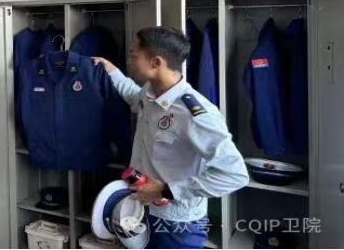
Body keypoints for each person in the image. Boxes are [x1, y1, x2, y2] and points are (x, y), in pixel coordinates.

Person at [93, 27, 249, 250]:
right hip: (141, 209)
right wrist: (111, 71)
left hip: (176, 222)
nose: (130, 60)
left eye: (134, 55)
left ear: (156, 62)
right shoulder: (150, 92)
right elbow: (134, 97)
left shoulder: (195, 114)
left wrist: (167, 190)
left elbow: (235, 175)